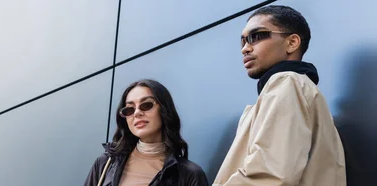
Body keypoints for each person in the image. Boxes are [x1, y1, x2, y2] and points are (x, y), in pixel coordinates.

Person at [213, 5, 346, 186]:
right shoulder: (296, 88)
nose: (245, 48)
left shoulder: (287, 83)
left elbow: (270, 175)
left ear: (292, 42)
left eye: (256, 36)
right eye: (243, 41)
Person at [84, 79, 208, 186]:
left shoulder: (189, 174)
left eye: (146, 105)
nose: (137, 113)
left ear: (164, 110)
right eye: (129, 109)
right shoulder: (106, 163)